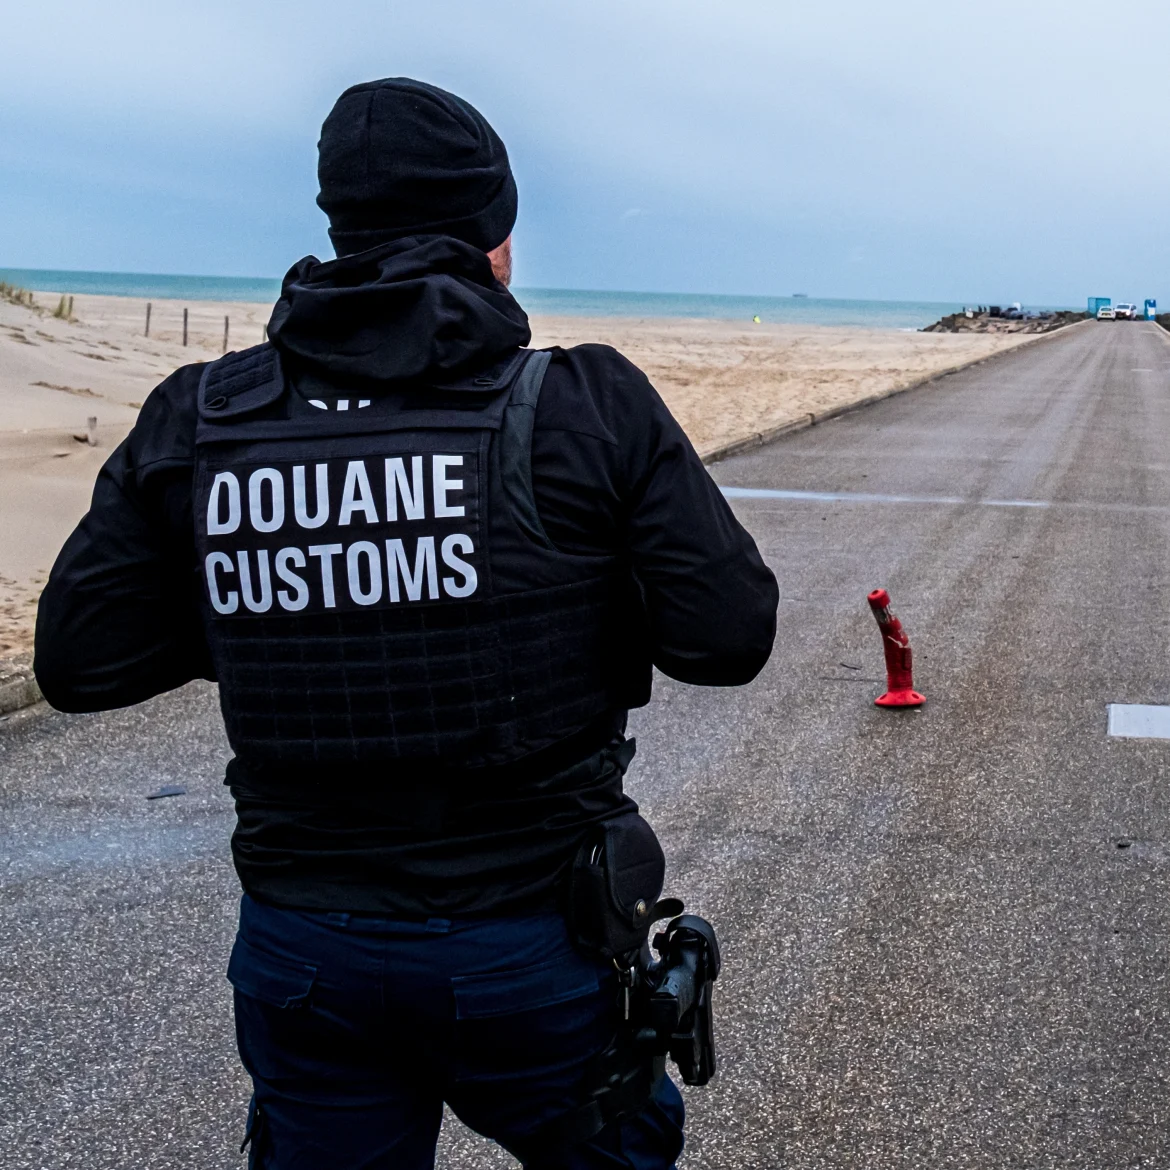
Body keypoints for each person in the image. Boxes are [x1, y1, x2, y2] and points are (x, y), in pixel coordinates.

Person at [34, 77, 779, 1169]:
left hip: (307, 955)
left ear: (338, 225)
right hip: (529, 942)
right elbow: (727, 638)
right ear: (496, 236)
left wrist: (285, 599)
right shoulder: (582, 403)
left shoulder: (205, 414)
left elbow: (82, 659)